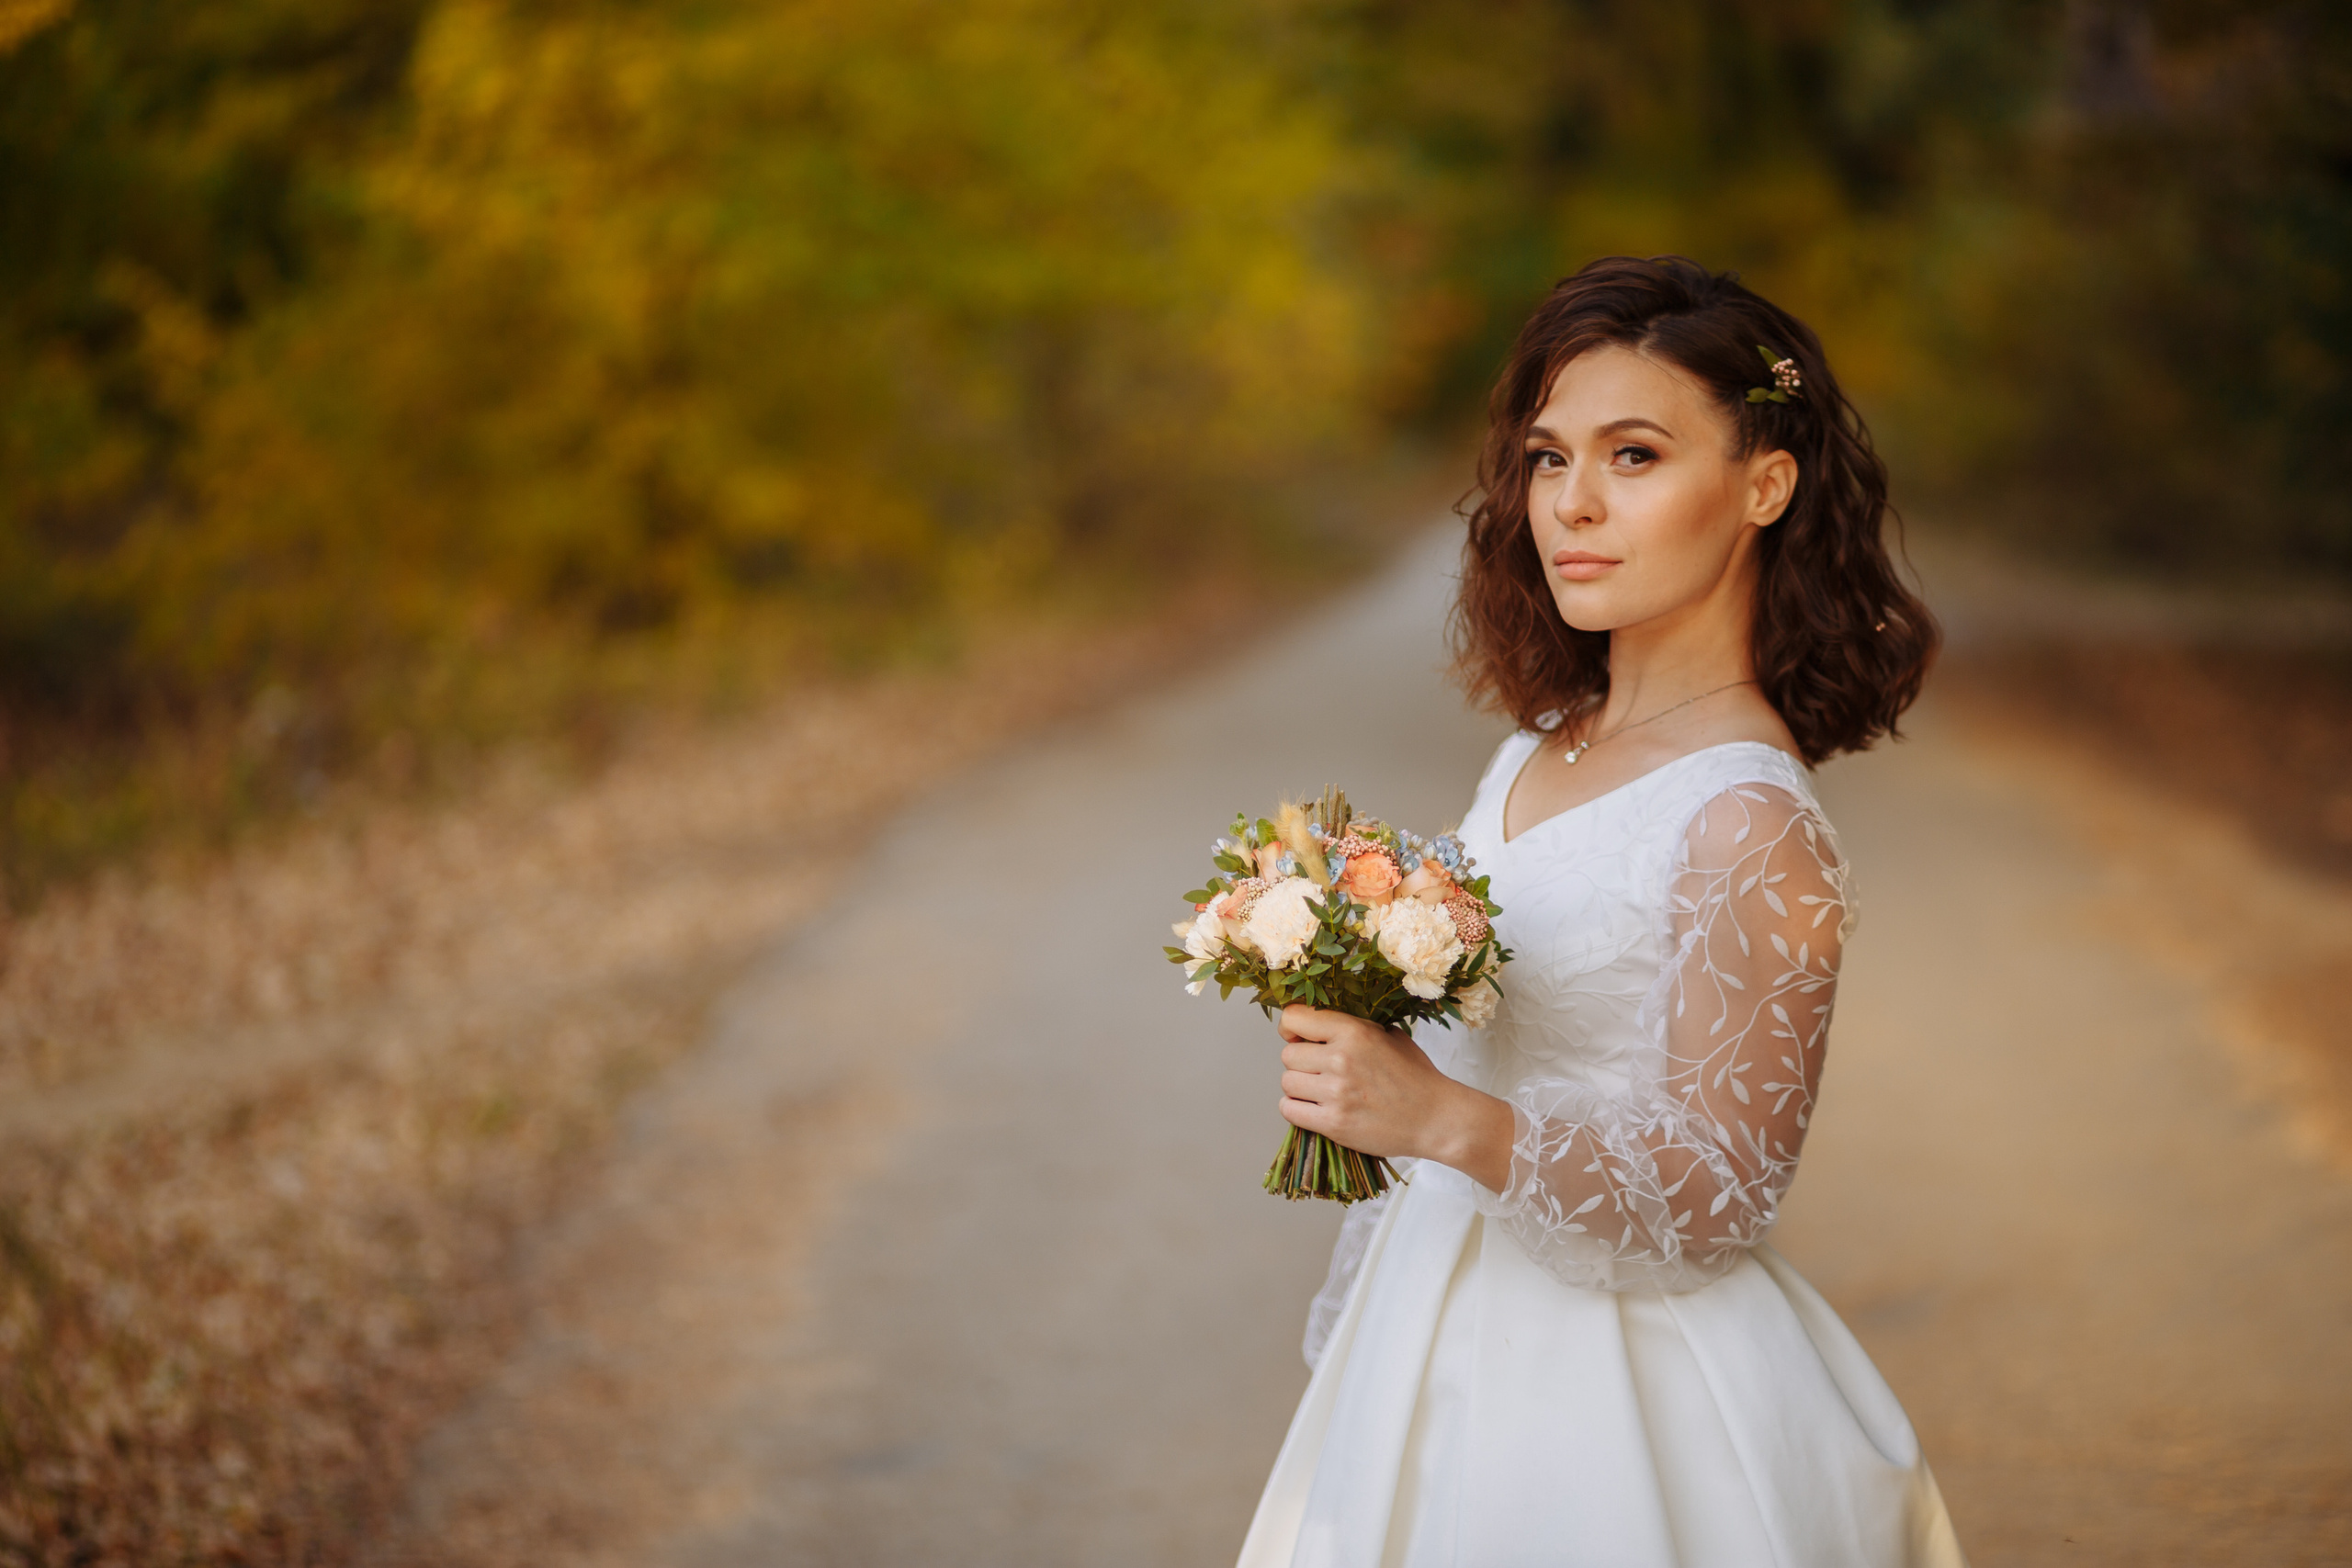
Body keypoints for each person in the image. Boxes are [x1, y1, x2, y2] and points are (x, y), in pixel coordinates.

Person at [1238, 255, 1968, 1567]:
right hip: (1436, 1324)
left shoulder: (1749, 821)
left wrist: (1443, 1117)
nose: (1571, 505)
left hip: (1615, 1393)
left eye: (1634, 457)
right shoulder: (1539, 747)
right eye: (1546, 458)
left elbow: (1721, 1192)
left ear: (1764, 484)